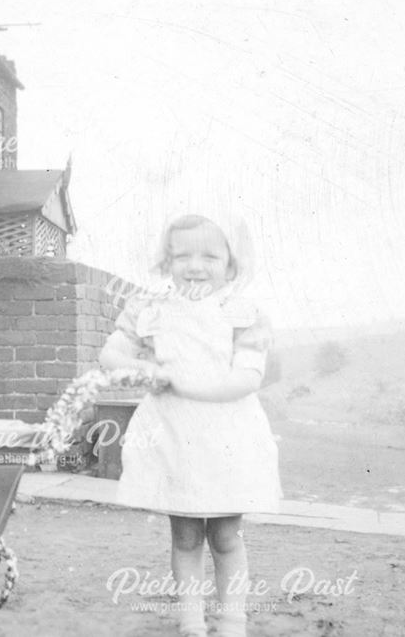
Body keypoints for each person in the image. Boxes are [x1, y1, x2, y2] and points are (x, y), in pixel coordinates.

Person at [99, 214, 282, 637]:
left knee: (225, 535)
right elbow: (111, 355)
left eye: (210, 256)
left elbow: (247, 378)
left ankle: (233, 623)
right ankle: (191, 623)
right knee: (183, 535)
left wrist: (186, 384)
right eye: (183, 255)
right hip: (173, 435)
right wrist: (142, 370)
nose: (195, 265)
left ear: (231, 264)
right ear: (167, 261)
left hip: (226, 437)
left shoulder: (241, 313)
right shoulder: (151, 309)